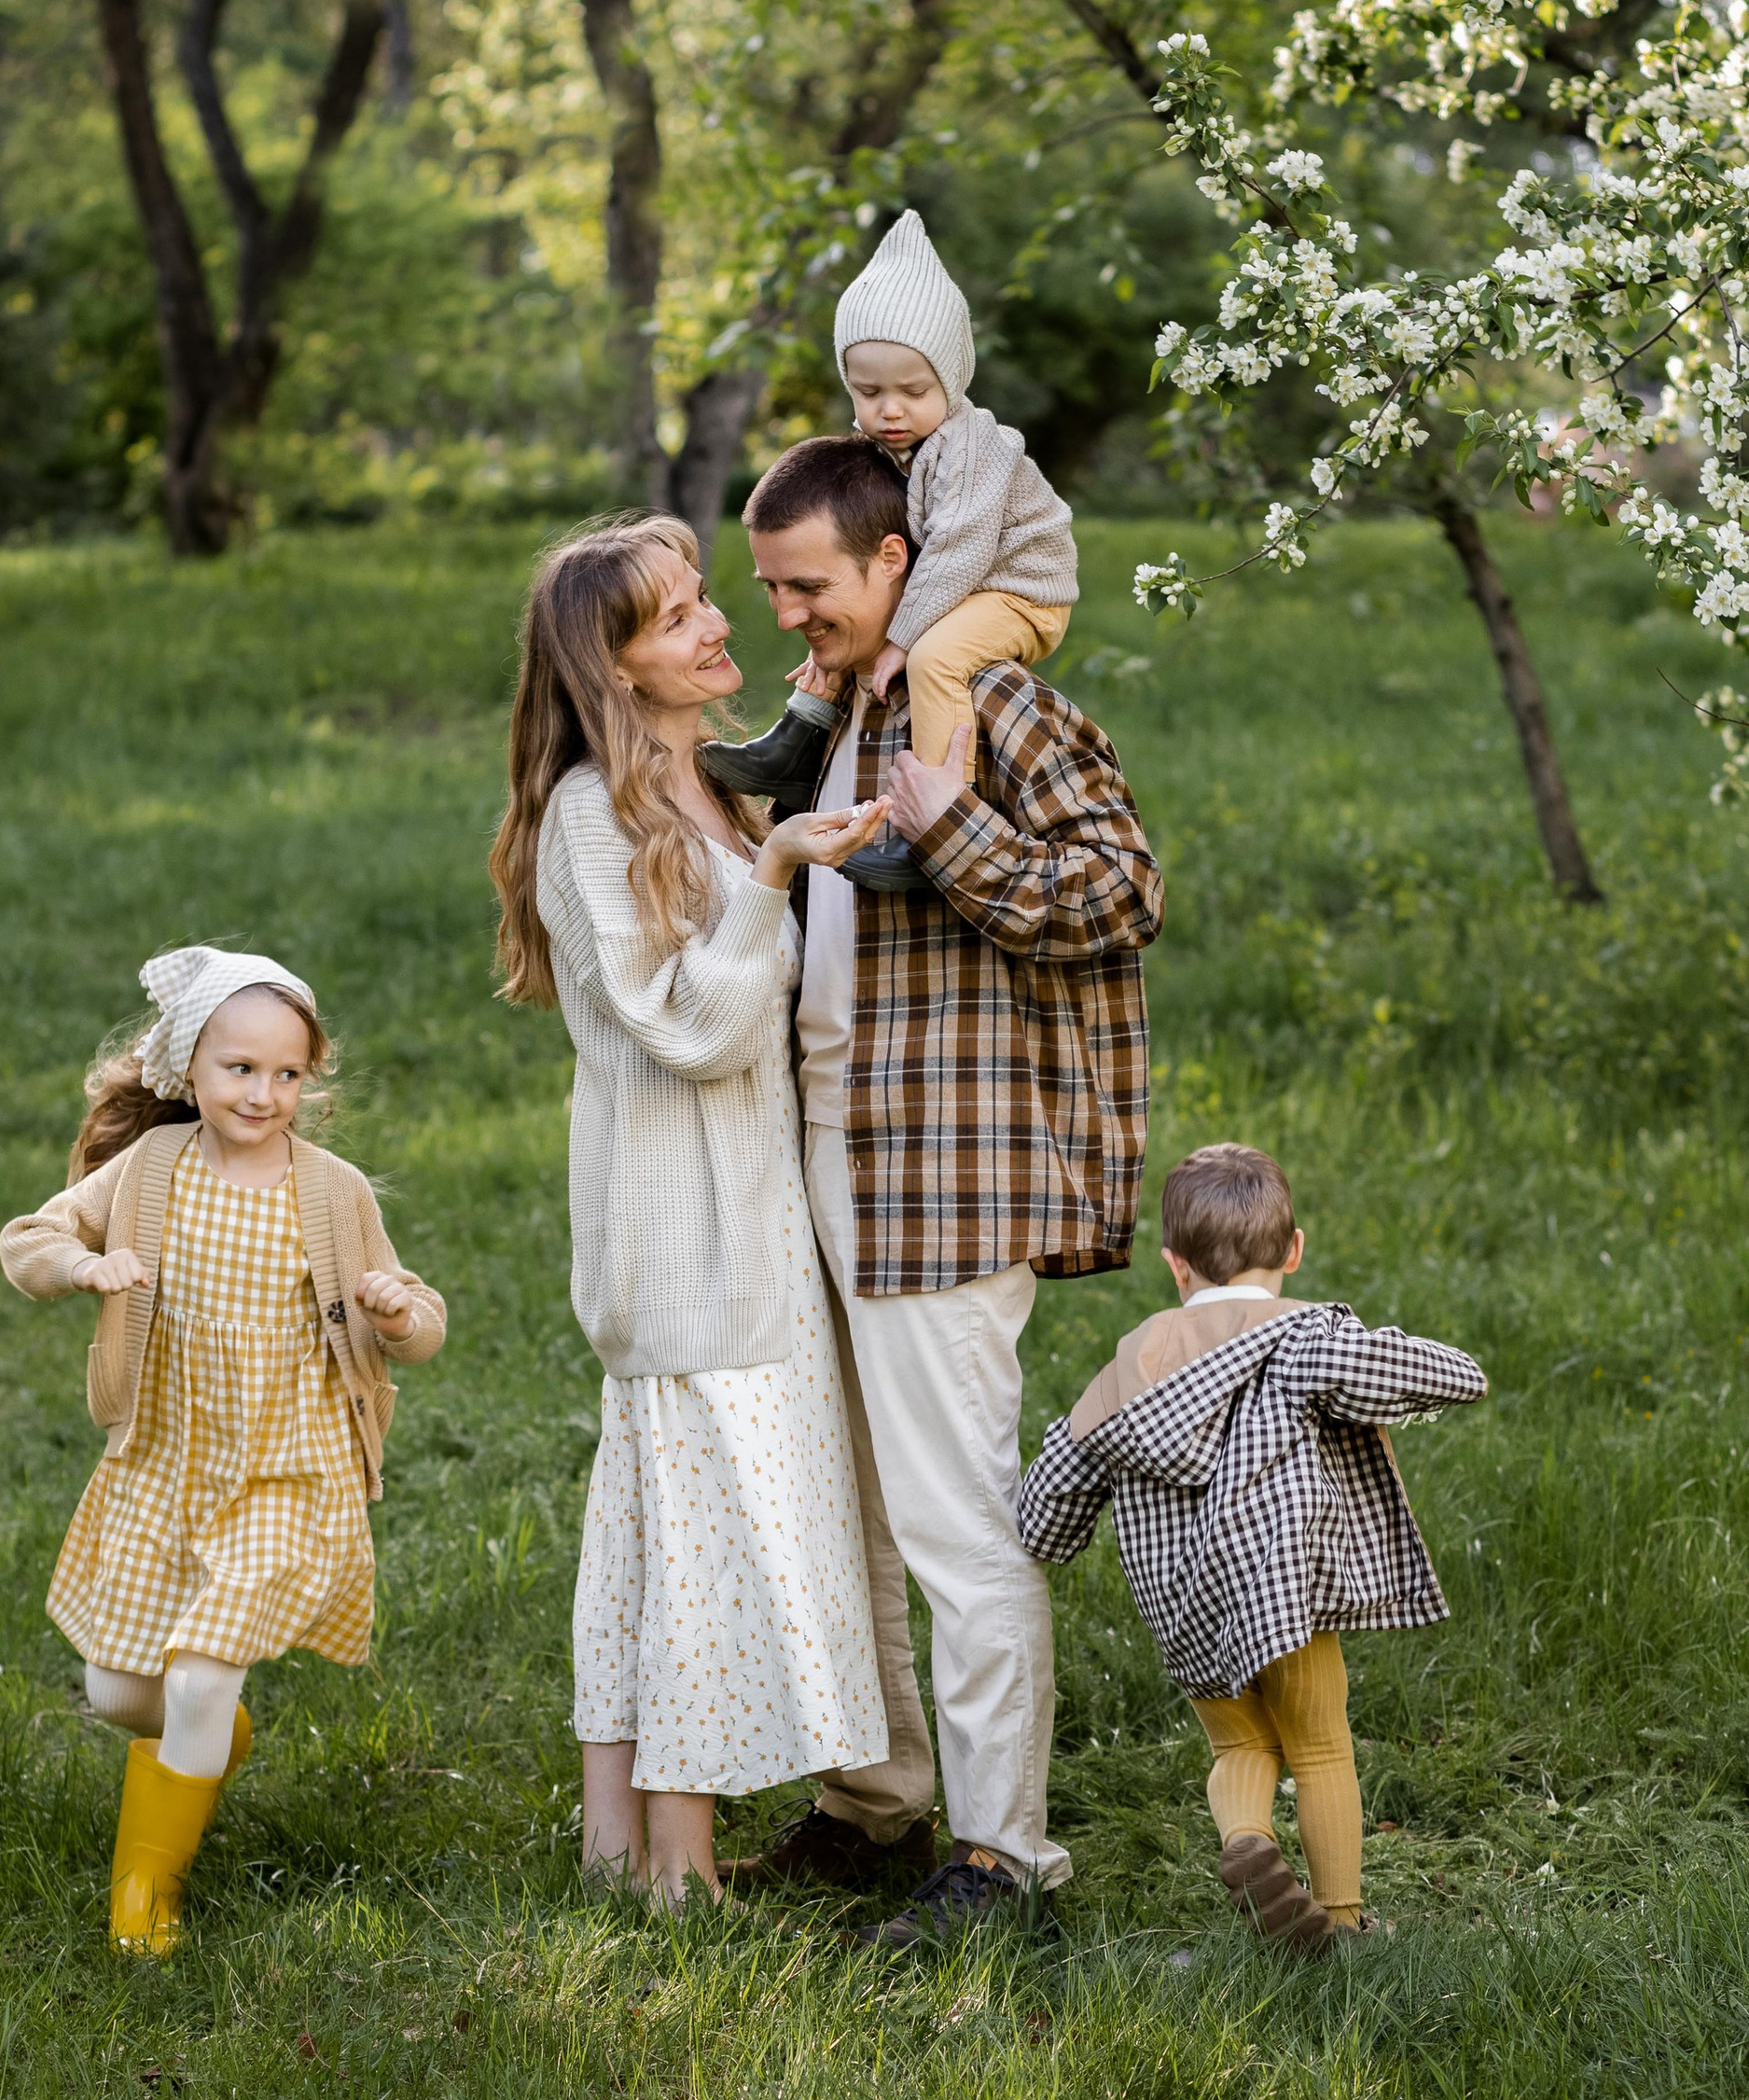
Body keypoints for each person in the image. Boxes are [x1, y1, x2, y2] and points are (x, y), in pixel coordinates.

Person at [732, 433, 1164, 1949]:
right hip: (815, 1169)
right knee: (836, 1513)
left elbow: (1123, 891)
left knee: (953, 1520)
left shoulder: (991, 705)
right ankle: (874, 1803)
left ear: (893, 561)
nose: (787, 612)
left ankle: (1004, 1865)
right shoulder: (829, 724)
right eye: (769, 587)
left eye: (808, 585)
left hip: (945, 1174)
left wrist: (949, 826)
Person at [488, 515, 900, 1907]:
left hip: (735, 1226)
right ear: (612, 669)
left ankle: (622, 1846)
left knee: (654, 1534)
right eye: (677, 620)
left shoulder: (699, 791)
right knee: (713, 1541)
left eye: (706, 601)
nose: (718, 626)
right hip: (684, 1241)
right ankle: (680, 1864)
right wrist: (778, 880)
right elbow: (693, 1032)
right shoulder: (593, 818)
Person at [0, 946, 445, 1954]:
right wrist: (83, 1263)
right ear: (189, 1068)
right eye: (240, 1069)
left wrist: (396, 1311)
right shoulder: (150, 1170)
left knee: (198, 1677)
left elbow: (418, 1324)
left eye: (287, 1074)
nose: (264, 1092)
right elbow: (27, 1241)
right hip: (167, 1460)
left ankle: (143, 1901)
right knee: (122, 1693)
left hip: (290, 1471)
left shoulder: (331, 1194)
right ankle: (214, 1741)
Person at [1016, 1142, 1487, 1952]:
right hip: (1283, 1591)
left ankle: (1249, 1843)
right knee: (1320, 1745)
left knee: (1240, 1742)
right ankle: (1339, 1922)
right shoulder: (1302, 1339)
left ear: (1175, 1266)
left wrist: (1049, 1540)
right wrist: (1452, 1369)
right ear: (1294, 1251)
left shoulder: (1131, 1369)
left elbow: (1052, 1486)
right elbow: (1440, 1374)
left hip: (1186, 1603)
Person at [703, 210, 1078, 891]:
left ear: (953, 382)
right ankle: (797, 743)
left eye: (914, 391)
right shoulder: (893, 450)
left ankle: (929, 831)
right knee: (841, 623)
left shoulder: (970, 449)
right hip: (960, 581)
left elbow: (960, 551)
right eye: (869, 392)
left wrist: (903, 638)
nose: (891, 410)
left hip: (1020, 589)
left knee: (933, 657)